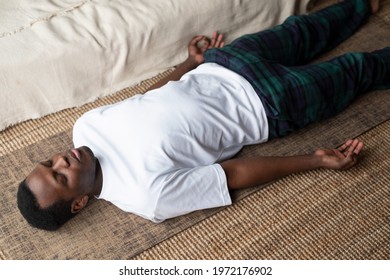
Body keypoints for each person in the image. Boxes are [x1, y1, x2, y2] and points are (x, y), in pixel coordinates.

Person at [17, 0, 388, 231]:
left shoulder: (86, 128)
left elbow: (146, 98)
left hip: (226, 63)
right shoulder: (146, 197)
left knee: (306, 29)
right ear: (79, 203)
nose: (62, 159)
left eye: (49, 161)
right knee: (355, 70)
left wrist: (190, 63)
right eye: (60, 176)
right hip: (268, 103)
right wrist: (314, 160)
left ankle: (365, 4)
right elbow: (232, 173)